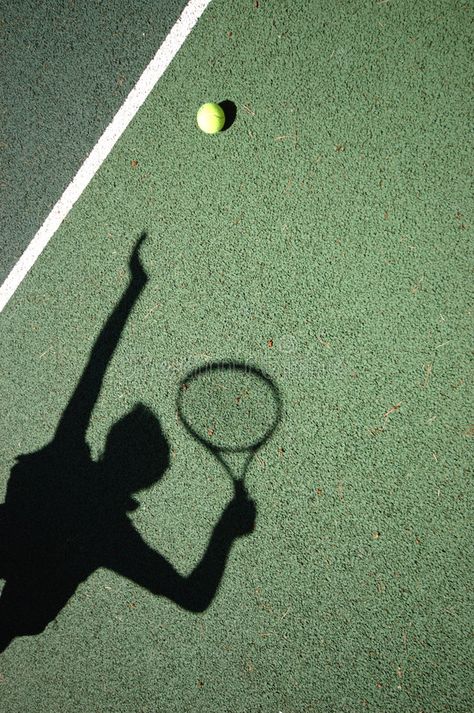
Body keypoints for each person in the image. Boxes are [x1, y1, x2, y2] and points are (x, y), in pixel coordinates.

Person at [0, 234, 255, 653]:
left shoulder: (67, 455)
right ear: (147, 480)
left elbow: (96, 365)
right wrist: (225, 532)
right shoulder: (111, 535)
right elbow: (193, 596)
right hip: (21, 609)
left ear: (110, 442)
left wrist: (134, 287)